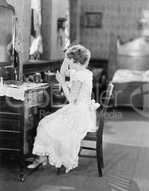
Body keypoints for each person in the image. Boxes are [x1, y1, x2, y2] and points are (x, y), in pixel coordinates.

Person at [27, 44, 99, 173]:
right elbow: (64, 71)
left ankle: (41, 158)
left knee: (44, 124)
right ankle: (42, 157)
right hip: (82, 111)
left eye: (69, 60)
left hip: (78, 114)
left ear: (74, 61)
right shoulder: (85, 72)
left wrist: (62, 82)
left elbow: (71, 99)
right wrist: (67, 58)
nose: (67, 63)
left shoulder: (78, 76)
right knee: (47, 122)